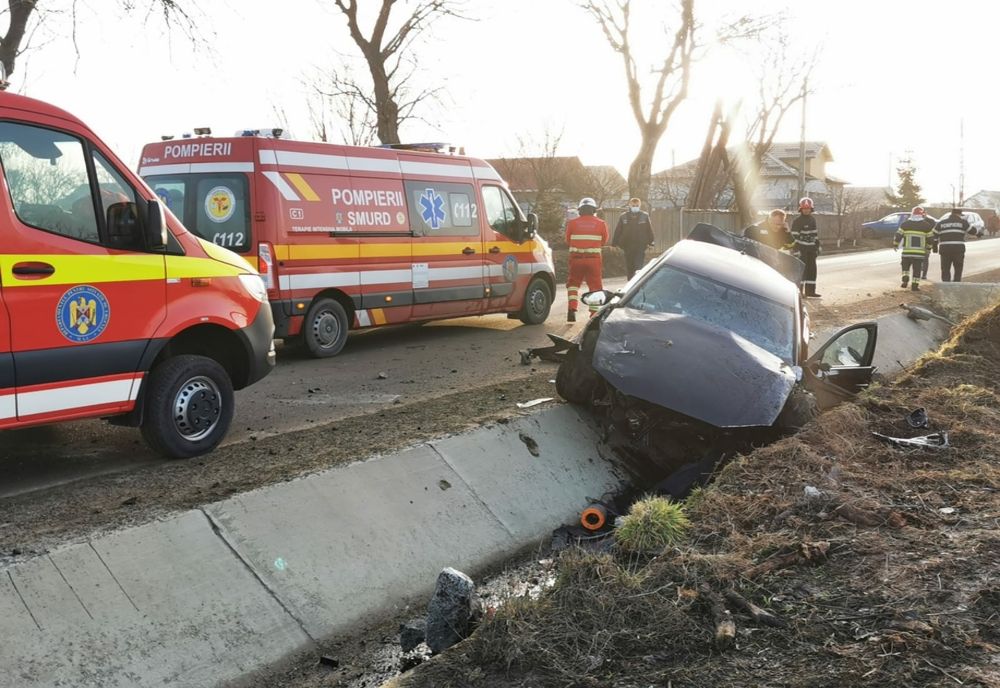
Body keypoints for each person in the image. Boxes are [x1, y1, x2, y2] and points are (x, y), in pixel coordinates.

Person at [564, 197, 609, 322]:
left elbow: (568, 240)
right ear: (594, 210)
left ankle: (572, 309)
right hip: (593, 260)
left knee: (573, 285)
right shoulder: (601, 223)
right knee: (595, 287)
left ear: (580, 210)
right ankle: (593, 315)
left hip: (576, 259)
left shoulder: (572, 223)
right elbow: (604, 241)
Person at [894, 206, 935, 291]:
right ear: (922, 214)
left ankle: (905, 280)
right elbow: (931, 240)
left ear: (912, 213)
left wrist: (895, 244)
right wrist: (928, 249)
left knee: (905, 267)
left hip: (907, 252)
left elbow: (898, 235)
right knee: (917, 270)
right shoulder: (926, 225)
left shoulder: (905, 224)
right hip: (919, 254)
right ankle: (915, 286)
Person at [612, 197, 654, 280]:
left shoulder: (644, 216)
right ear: (629, 205)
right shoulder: (623, 216)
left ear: (640, 205)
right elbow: (618, 230)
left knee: (638, 267)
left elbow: (649, 230)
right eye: (633, 205)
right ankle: (630, 284)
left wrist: (651, 242)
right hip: (627, 246)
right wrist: (614, 244)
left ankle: (637, 283)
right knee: (630, 267)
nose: (635, 207)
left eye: (637, 205)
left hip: (640, 246)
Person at [933, 208, 976, 282]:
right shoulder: (962, 222)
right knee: (958, 268)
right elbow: (973, 231)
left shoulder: (941, 223)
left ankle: (946, 285)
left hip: (945, 249)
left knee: (945, 268)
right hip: (958, 249)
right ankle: (956, 284)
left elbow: (934, 235)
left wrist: (934, 247)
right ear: (959, 214)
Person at [791, 197, 821, 297]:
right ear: (801, 209)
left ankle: (810, 292)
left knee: (812, 270)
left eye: (808, 208)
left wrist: (817, 247)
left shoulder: (813, 219)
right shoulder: (797, 221)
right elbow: (793, 237)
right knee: (801, 271)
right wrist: (796, 250)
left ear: (811, 209)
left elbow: (815, 235)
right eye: (804, 208)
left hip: (811, 249)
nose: (806, 210)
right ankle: (800, 292)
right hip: (801, 249)